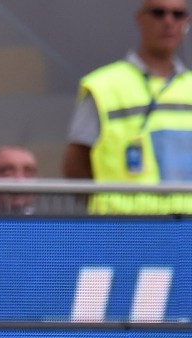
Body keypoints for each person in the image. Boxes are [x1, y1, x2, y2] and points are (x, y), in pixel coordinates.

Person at [63, 0, 192, 214]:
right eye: (158, 13)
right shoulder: (103, 86)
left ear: (186, 21)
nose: (169, 22)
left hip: (186, 232)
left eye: (177, 15)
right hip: (123, 231)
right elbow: (75, 164)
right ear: (140, 18)